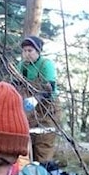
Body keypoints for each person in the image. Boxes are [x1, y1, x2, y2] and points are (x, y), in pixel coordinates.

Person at [17, 36, 60, 164]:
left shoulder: (46, 65)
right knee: (26, 145)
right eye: (24, 51)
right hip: (29, 111)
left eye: (30, 50)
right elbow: (16, 84)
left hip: (47, 110)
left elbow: (50, 89)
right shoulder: (21, 66)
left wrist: (36, 99)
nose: (26, 54)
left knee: (43, 146)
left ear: (38, 51)